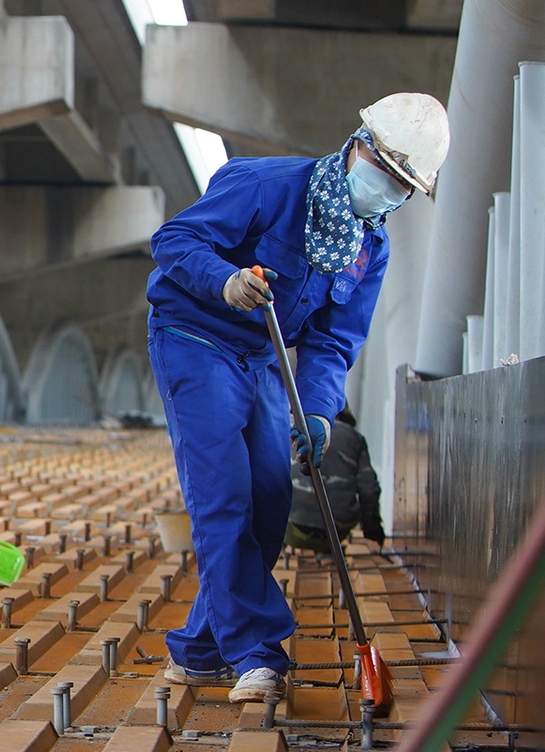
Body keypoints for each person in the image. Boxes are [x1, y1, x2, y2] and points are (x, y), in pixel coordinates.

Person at [146, 92, 448, 704]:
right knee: (223, 491)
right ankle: (257, 653)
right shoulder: (266, 185)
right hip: (195, 338)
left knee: (269, 496)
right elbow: (174, 240)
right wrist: (225, 280)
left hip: (262, 356)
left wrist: (315, 411)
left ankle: (202, 651)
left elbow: (335, 341)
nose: (388, 191)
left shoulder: (370, 246)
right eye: (386, 173)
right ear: (358, 147)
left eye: (403, 187)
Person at [286, 409, 383, 551]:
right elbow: (368, 489)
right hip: (336, 531)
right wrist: (372, 529)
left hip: (292, 528)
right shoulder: (354, 437)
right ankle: (327, 554)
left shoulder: (291, 431)